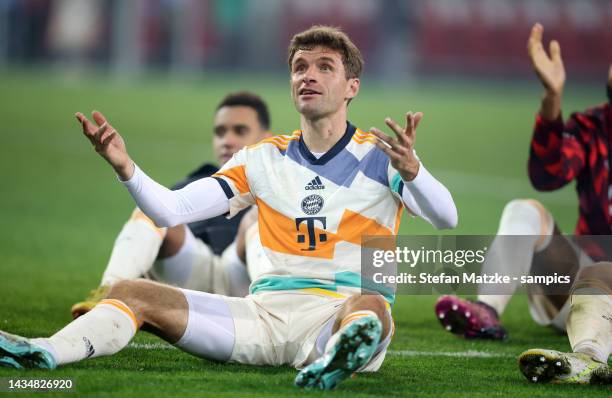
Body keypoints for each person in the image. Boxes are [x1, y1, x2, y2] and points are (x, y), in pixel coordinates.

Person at [0, 26, 457, 390]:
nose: (308, 75)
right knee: (132, 291)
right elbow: (169, 211)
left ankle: (339, 355)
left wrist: (415, 171)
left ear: (351, 85)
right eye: (300, 67)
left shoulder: (384, 156)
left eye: (325, 67)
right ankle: (46, 352)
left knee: (372, 303)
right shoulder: (261, 158)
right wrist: (125, 166)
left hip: (339, 311)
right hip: (262, 315)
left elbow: (446, 217)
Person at [434, 23, 611, 384]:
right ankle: (486, 312)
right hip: (584, 288)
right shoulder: (595, 126)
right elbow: (548, 174)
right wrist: (552, 99)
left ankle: (588, 360)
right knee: (525, 210)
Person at [70, 92, 271, 318]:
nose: (227, 140)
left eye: (240, 130)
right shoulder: (194, 183)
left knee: (257, 219)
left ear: (266, 138)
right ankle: (109, 293)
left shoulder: (279, 185)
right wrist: (123, 166)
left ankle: (275, 305)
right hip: (189, 272)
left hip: (243, 276)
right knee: (148, 213)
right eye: (220, 132)